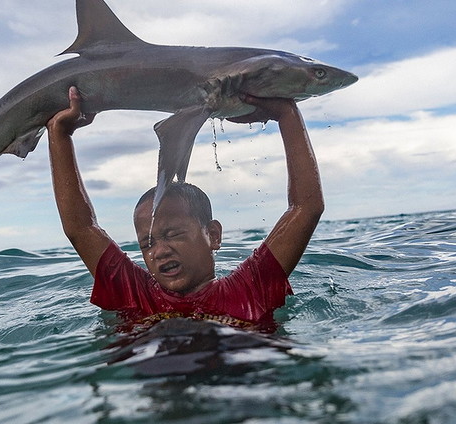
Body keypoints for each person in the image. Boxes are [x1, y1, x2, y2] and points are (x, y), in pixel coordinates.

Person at [46, 86, 323, 331]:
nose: (159, 251)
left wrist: (287, 114)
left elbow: (306, 207)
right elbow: (81, 228)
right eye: (147, 243)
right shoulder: (133, 293)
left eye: (173, 234)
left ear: (213, 235)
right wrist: (60, 133)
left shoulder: (251, 287)